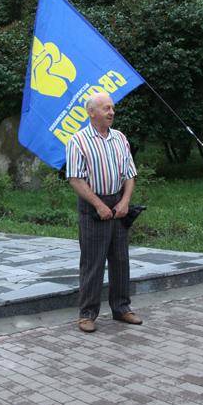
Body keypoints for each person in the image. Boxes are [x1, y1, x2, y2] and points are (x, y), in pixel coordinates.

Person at [66, 91, 140, 333]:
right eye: (106, 108)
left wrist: (125, 202)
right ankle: (87, 314)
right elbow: (75, 179)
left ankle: (121, 308)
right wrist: (98, 205)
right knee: (93, 262)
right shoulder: (78, 140)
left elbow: (130, 174)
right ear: (91, 112)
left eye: (112, 108)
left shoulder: (120, 138)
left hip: (118, 204)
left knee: (120, 259)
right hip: (93, 205)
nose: (112, 112)